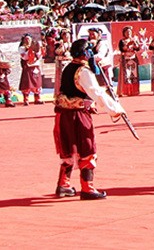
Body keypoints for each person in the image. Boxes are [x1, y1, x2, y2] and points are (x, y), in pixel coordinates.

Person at [53, 39, 126, 200]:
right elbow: (96, 92)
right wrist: (115, 109)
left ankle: (63, 185)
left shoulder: (68, 68)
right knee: (87, 149)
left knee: (69, 150)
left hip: (64, 114)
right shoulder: (83, 71)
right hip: (77, 115)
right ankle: (87, 188)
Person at [18, 35, 44, 105]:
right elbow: (24, 57)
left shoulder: (35, 46)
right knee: (27, 84)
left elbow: (39, 55)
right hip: (28, 67)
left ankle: (37, 98)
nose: (27, 41)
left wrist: (37, 50)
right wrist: (29, 50)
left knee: (37, 83)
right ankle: (26, 99)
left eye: (29, 39)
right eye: (26, 39)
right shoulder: (22, 48)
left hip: (35, 66)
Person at [117, 26, 141, 97]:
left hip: (133, 59)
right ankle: (125, 91)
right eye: (127, 32)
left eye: (130, 32)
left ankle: (134, 91)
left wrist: (135, 44)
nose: (128, 33)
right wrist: (128, 44)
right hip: (125, 58)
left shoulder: (134, 39)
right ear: (124, 33)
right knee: (126, 75)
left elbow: (138, 48)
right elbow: (122, 49)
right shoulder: (122, 41)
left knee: (134, 75)